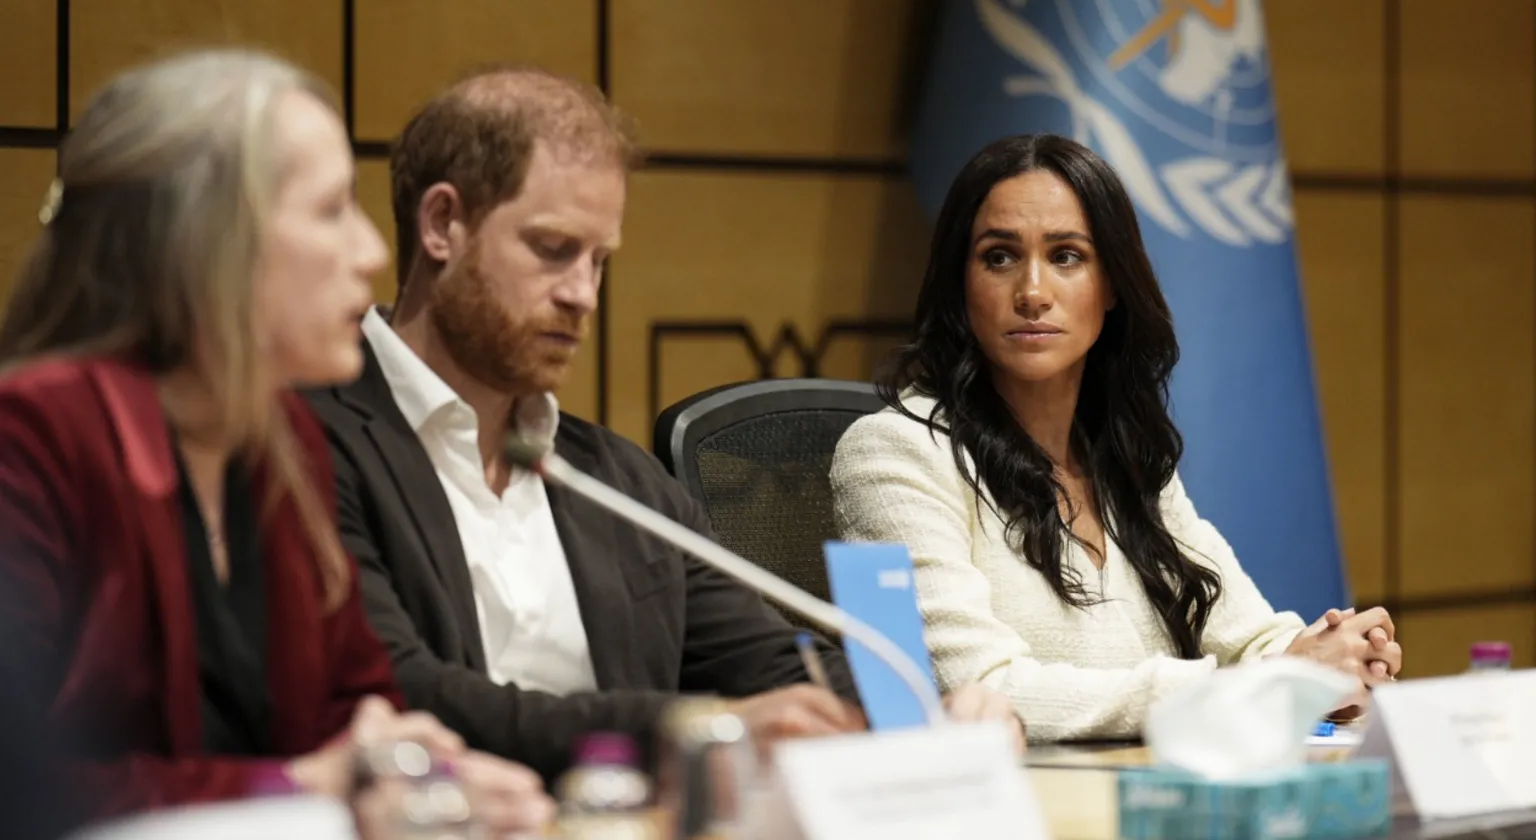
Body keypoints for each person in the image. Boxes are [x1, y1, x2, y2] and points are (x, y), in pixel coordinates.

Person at [304, 65, 1021, 782]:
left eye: (600, 261)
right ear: (441, 225)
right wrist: (697, 730)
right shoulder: (307, 449)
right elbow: (403, 694)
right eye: (553, 250)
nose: (583, 295)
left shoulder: (614, 480)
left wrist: (927, 709)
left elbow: (773, 666)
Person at [0, 49, 553, 833]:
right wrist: (299, 785)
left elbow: (354, 706)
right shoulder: (34, 434)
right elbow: (20, 789)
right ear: (207, 239)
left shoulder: (282, 436)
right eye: (331, 211)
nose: (370, 252)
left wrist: (414, 765)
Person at [830, 133, 1404, 743]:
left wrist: (1333, 663)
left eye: (1067, 256)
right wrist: (1274, 680)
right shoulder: (896, 454)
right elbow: (976, 691)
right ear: (960, 285)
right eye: (998, 257)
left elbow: (1247, 637)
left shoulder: (1125, 459)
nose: (1031, 292)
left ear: (1111, 288)